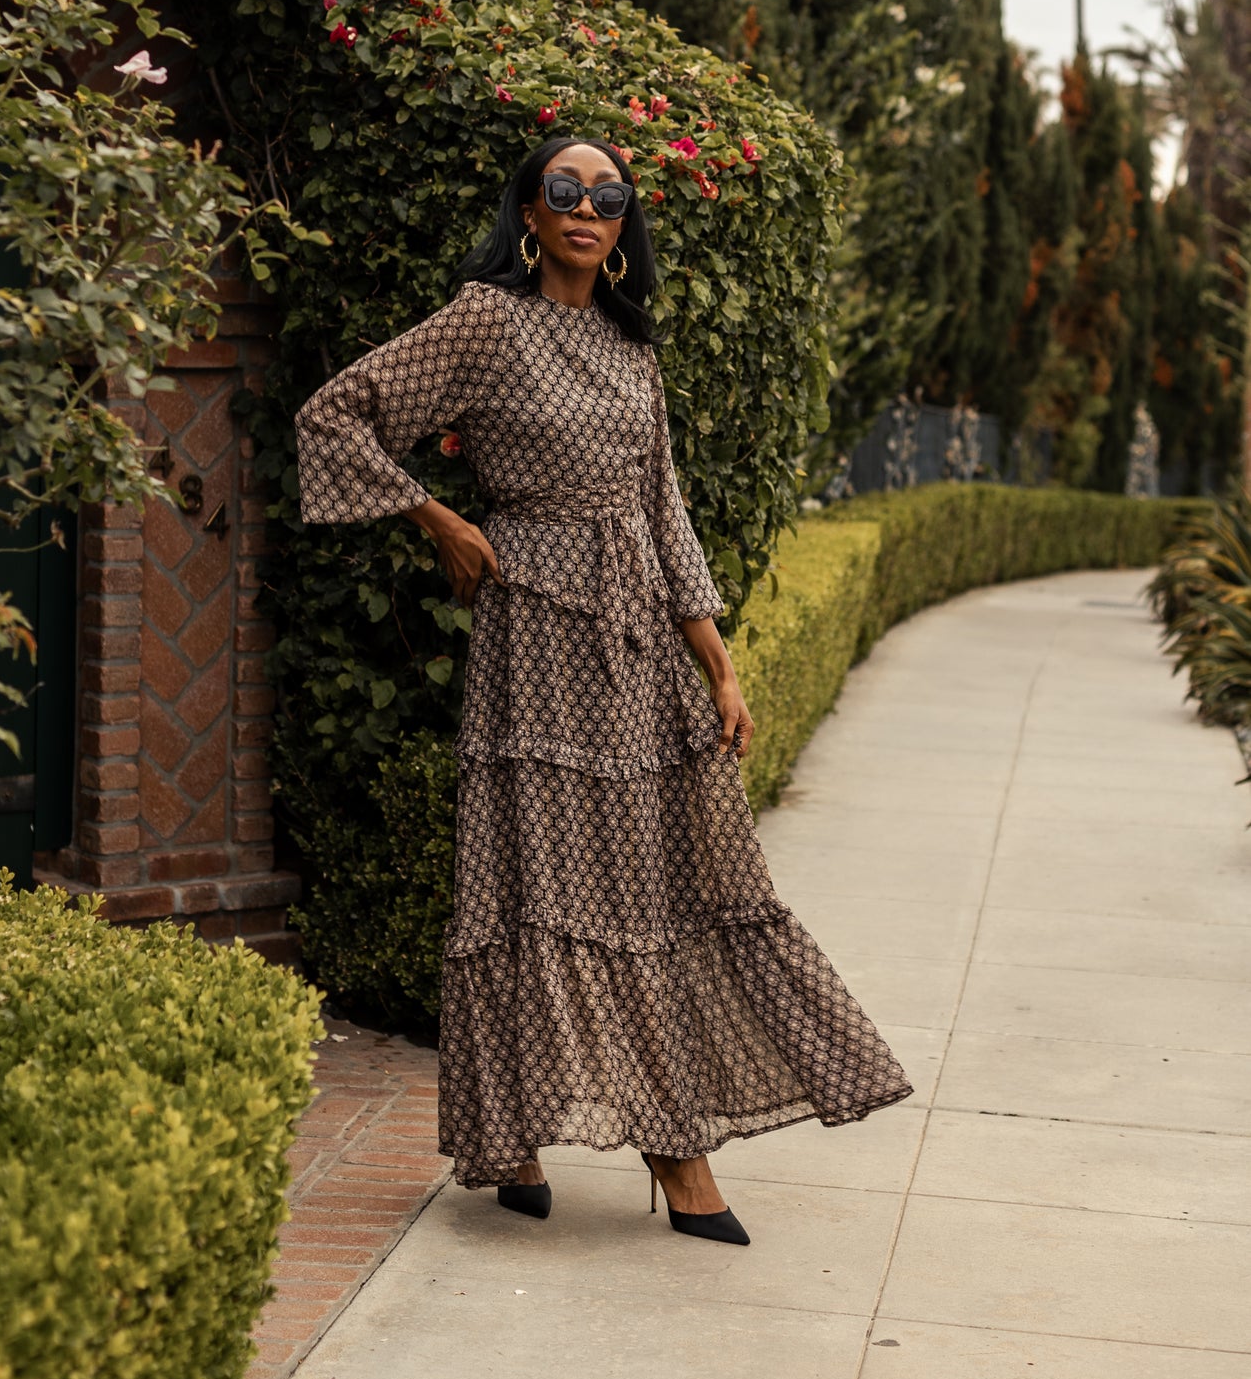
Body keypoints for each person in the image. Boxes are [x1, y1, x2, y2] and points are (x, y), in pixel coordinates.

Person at [295, 136, 912, 1245]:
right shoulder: (484, 321)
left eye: (608, 196)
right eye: (564, 192)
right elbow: (333, 413)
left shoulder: (632, 348)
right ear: (529, 212)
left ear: (625, 222)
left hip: (633, 646)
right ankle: (610, 1153)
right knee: (529, 880)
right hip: (531, 637)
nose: (587, 209)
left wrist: (716, 663)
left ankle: (617, 1141)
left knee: (657, 883)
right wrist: (435, 519)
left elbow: (662, 508)